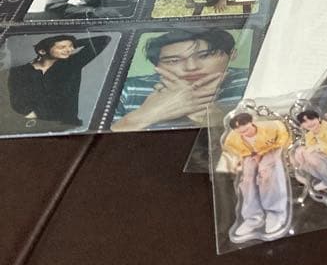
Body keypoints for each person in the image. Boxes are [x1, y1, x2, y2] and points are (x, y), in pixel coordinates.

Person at [112, 27, 248, 131]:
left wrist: (216, 119)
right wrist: (149, 113)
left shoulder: (251, 80)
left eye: (204, 56)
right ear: (157, 65)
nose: (191, 67)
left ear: (232, 54)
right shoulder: (126, 89)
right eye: (173, 61)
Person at [8, 34, 111, 128]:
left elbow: (103, 40)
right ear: (42, 51)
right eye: (62, 47)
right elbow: (16, 100)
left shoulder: (73, 64)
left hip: (65, 125)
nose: (69, 50)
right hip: (30, 125)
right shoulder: (18, 72)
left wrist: (74, 43)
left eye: (70, 47)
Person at [221, 111, 291, 242]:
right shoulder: (232, 138)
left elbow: (283, 137)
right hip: (250, 154)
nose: (244, 134)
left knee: (267, 173)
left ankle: (275, 214)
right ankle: (253, 217)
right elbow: (231, 150)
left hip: (272, 149)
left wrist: (263, 153)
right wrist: (242, 161)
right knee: (247, 180)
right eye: (240, 132)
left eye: (246, 129)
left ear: (252, 122)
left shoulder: (271, 126)